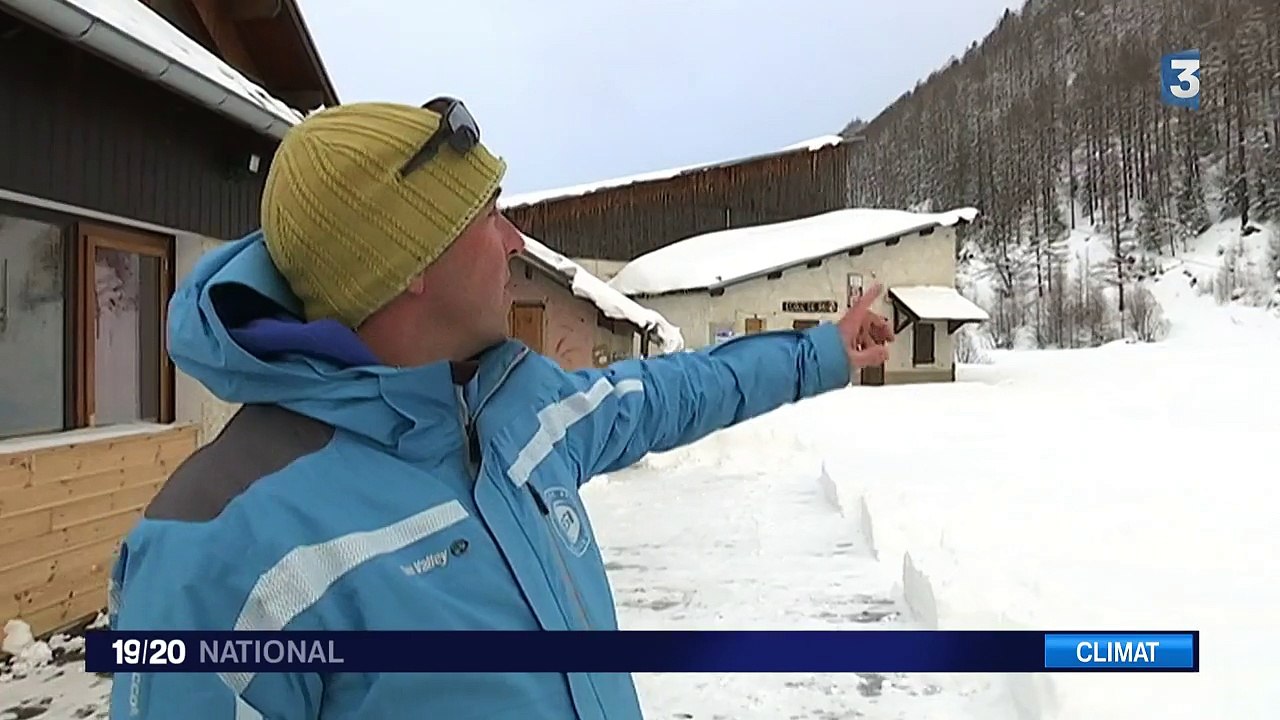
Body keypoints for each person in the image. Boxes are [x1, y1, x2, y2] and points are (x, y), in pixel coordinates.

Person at [107, 98, 893, 719]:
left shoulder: (514, 412)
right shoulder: (217, 550)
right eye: (488, 215)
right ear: (410, 263)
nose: (515, 241)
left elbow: (670, 393)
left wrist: (823, 351)